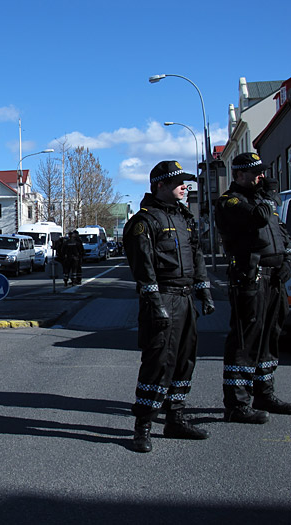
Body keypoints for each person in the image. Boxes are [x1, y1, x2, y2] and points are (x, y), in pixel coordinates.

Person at [123, 161, 214, 453]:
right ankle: (143, 427)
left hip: (186, 300)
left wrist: (204, 292)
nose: (185, 186)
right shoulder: (144, 221)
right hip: (163, 299)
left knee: (185, 360)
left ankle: (176, 417)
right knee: (157, 363)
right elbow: (143, 269)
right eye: (178, 182)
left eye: (185, 182)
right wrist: (155, 304)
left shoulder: (184, 218)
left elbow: (197, 257)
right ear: (159, 186)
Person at [214, 152, 291, 424]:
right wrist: (267, 196)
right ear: (239, 175)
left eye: (261, 172)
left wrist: (287, 260)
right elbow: (258, 218)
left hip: (274, 277)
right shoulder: (230, 201)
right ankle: (237, 403)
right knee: (245, 340)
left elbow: (280, 233)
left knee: (272, 335)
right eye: (255, 173)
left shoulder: (261, 199)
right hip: (250, 276)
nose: (261, 177)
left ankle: (264, 393)